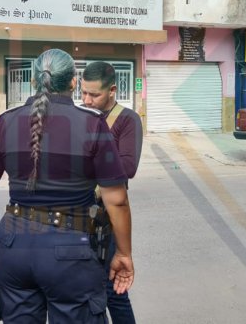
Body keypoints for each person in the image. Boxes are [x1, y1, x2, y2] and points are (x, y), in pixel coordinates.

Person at [0, 49, 135, 323]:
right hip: (70, 252)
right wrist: (124, 254)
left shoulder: (6, 121)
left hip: (13, 247)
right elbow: (117, 200)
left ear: (32, 81)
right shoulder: (93, 124)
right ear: (73, 82)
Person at [81, 62, 144, 324]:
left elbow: (127, 168)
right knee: (82, 291)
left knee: (113, 291)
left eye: (93, 95)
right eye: (83, 93)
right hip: (78, 218)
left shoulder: (127, 120)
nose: (86, 100)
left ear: (112, 90)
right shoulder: (80, 116)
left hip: (108, 220)